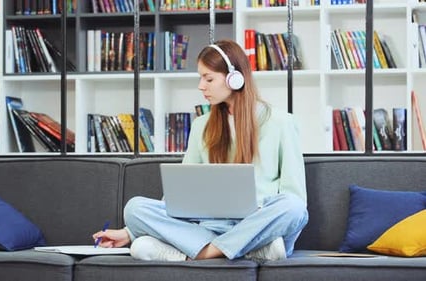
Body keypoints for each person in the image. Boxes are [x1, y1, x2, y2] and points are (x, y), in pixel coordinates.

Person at [92, 39, 308, 263]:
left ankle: (205, 253)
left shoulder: (281, 122)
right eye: (201, 78)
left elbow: (295, 197)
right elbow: (181, 193)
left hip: (257, 224)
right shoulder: (201, 126)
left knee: (293, 208)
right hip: (208, 225)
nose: (201, 86)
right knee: (135, 208)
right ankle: (246, 250)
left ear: (235, 78)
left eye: (209, 78)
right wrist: (129, 231)